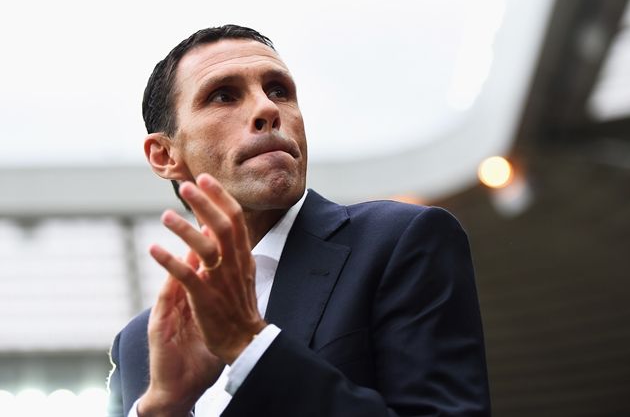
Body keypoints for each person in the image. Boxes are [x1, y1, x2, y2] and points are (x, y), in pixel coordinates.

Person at [107, 24, 491, 417]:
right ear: (164, 155)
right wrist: (161, 408)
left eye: (279, 91)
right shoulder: (140, 342)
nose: (267, 109)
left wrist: (250, 347)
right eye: (224, 95)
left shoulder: (399, 242)